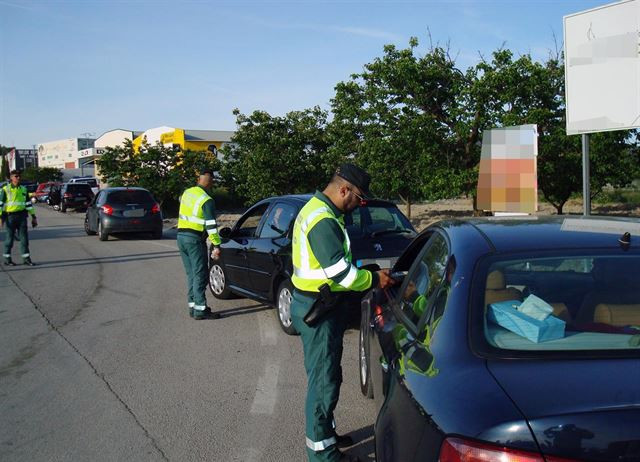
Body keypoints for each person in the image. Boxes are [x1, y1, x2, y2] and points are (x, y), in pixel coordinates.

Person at [290, 163, 395, 462]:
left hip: (317, 304)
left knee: (327, 377)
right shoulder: (322, 219)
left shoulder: (319, 211)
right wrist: (374, 279)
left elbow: (337, 265)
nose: (359, 206)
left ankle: (326, 434)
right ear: (343, 189)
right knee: (324, 384)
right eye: (359, 199)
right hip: (319, 310)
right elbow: (341, 275)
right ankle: (323, 455)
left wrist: (366, 270)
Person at [177, 168, 222, 320]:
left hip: (181, 237)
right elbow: (211, 225)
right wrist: (216, 245)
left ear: (199, 179)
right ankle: (201, 310)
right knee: (200, 274)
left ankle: (193, 306)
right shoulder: (206, 200)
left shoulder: (187, 193)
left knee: (191, 274)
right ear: (211, 182)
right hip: (194, 239)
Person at [0, 170, 37, 266]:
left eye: (19, 176)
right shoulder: (5, 189)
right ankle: (7, 259)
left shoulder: (23, 189)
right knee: (9, 239)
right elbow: (0, 204)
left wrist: (33, 216)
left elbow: (28, 204)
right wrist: (0, 217)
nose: (18, 178)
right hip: (10, 217)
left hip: (22, 216)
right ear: (11, 177)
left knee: (24, 239)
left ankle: (26, 259)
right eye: (16, 176)